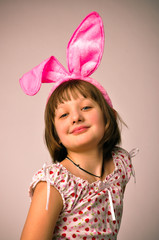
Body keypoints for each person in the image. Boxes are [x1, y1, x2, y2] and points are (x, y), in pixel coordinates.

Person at [19, 12, 138, 240]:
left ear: (108, 116)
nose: (75, 118)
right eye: (63, 115)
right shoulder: (53, 185)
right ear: (54, 132)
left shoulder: (120, 165)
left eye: (85, 108)